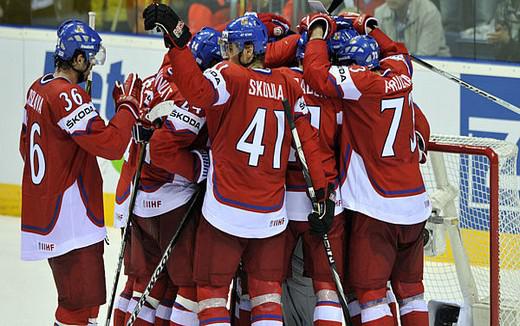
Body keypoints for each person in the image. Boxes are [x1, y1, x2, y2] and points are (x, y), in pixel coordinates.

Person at [143, 4, 334, 325]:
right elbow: (308, 144)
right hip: (272, 218)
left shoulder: (227, 76)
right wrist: (321, 191)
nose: (226, 54)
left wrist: (178, 42)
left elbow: (196, 90)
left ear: (249, 50)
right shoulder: (288, 84)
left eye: (231, 48)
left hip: (224, 214)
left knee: (213, 293)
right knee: (266, 295)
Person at [302, 12, 432, 325]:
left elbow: (316, 74)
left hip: (377, 208)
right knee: (412, 291)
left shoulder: (360, 83)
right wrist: (368, 25)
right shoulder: (400, 73)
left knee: (371, 294)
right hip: (416, 205)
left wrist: (318, 33)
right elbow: (397, 51)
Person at [19, 19, 143, 325]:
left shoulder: (39, 87)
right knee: (76, 306)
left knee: (85, 306)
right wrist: (127, 108)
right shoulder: (67, 96)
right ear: (77, 59)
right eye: (90, 58)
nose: (92, 65)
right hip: (69, 218)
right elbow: (113, 146)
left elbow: (25, 146)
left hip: (52, 212)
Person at [374, 0, 450, 56]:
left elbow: (425, 56)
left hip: (434, 69)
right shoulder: (380, 13)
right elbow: (380, 52)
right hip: (396, 69)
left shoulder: (429, 12)